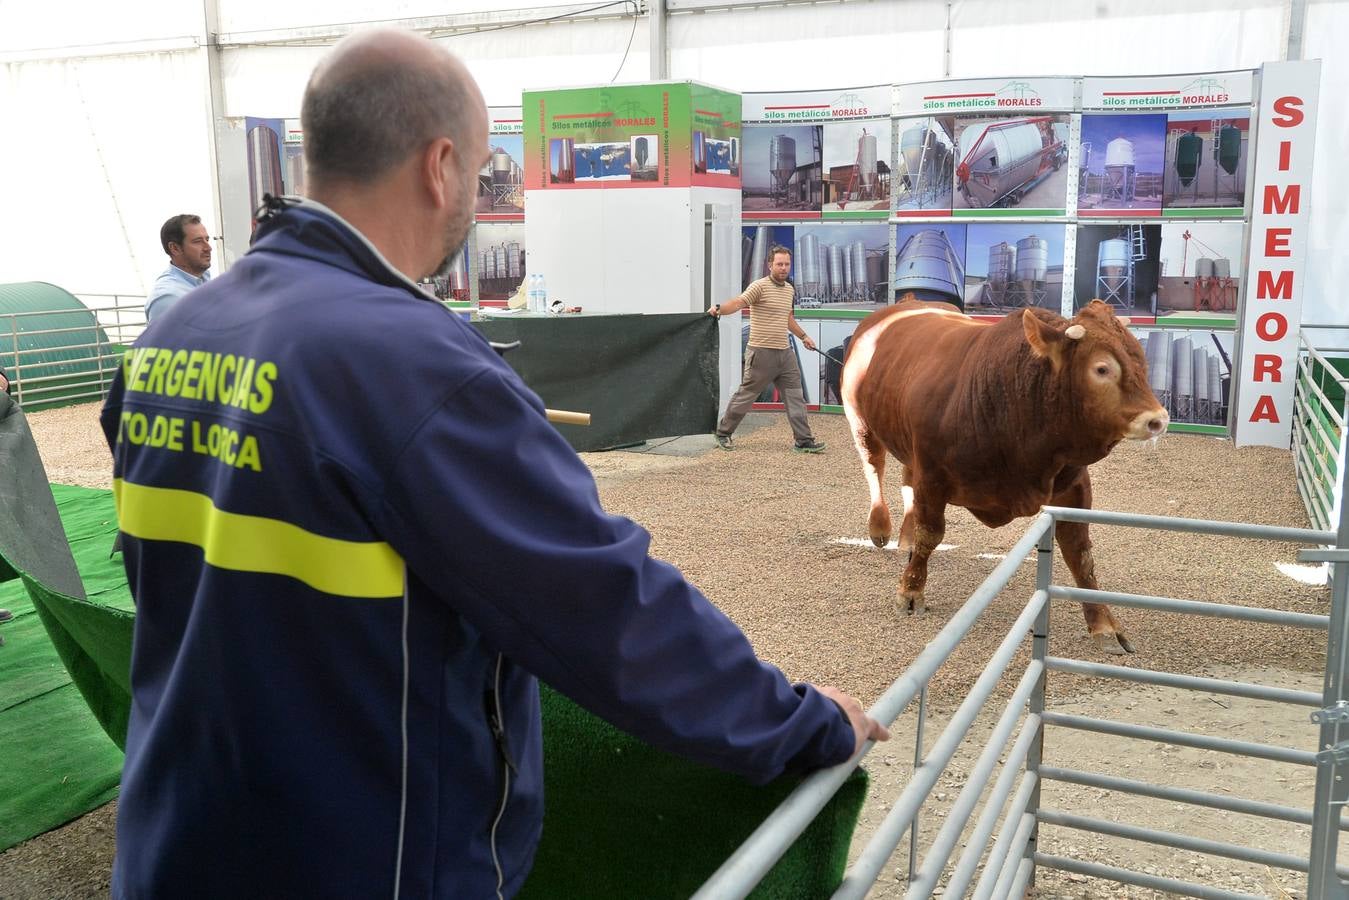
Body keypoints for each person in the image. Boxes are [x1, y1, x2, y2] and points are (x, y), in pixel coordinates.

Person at [100, 29, 886, 899]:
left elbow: (166, 577)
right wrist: (798, 722)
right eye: (478, 171)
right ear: (440, 166)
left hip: (176, 842)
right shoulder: (416, 366)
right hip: (360, 860)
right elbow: (597, 601)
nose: (473, 196)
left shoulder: (169, 337)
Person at [709, 245, 826, 453]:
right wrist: (719, 309)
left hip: (785, 353)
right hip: (761, 352)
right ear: (770, 265)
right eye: (779, 264)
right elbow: (738, 303)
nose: (783, 268)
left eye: (787, 264)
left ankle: (803, 441)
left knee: (795, 396)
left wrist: (804, 337)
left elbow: (788, 318)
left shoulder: (790, 289)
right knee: (746, 395)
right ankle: (723, 433)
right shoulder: (759, 286)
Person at [144, 214, 212, 321]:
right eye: (198, 241)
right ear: (175, 248)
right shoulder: (168, 298)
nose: (208, 248)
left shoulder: (203, 278)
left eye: (207, 240)